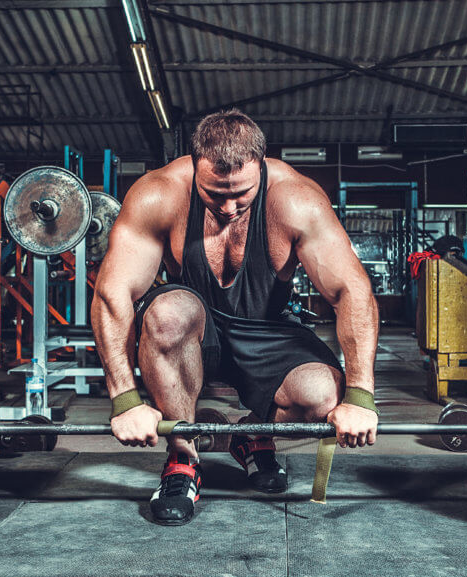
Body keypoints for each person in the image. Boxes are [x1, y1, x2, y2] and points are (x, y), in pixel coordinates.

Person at [91, 110, 379, 525]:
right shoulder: (159, 194)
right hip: (194, 322)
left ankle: (253, 436)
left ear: (260, 166)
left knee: (324, 396)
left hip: (266, 329)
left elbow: (351, 290)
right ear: (194, 167)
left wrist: (361, 397)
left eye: (241, 194)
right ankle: (183, 461)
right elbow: (113, 292)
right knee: (167, 313)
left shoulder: (296, 199)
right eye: (214, 194)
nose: (228, 207)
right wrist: (124, 399)